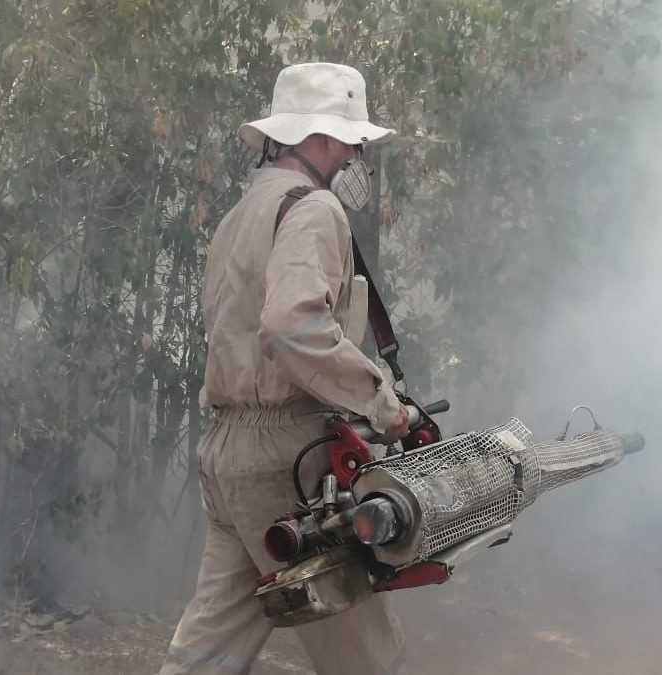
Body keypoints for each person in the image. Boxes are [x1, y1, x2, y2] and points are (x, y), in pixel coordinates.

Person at [159, 62, 409, 675]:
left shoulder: (242, 214)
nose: (354, 156)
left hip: (227, 452)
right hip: (282, 462)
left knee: (210, 645)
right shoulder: (315, 210)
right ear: (320, 137)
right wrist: (380, 400)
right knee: (363, 651)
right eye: (350, 143)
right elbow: (292, 327)